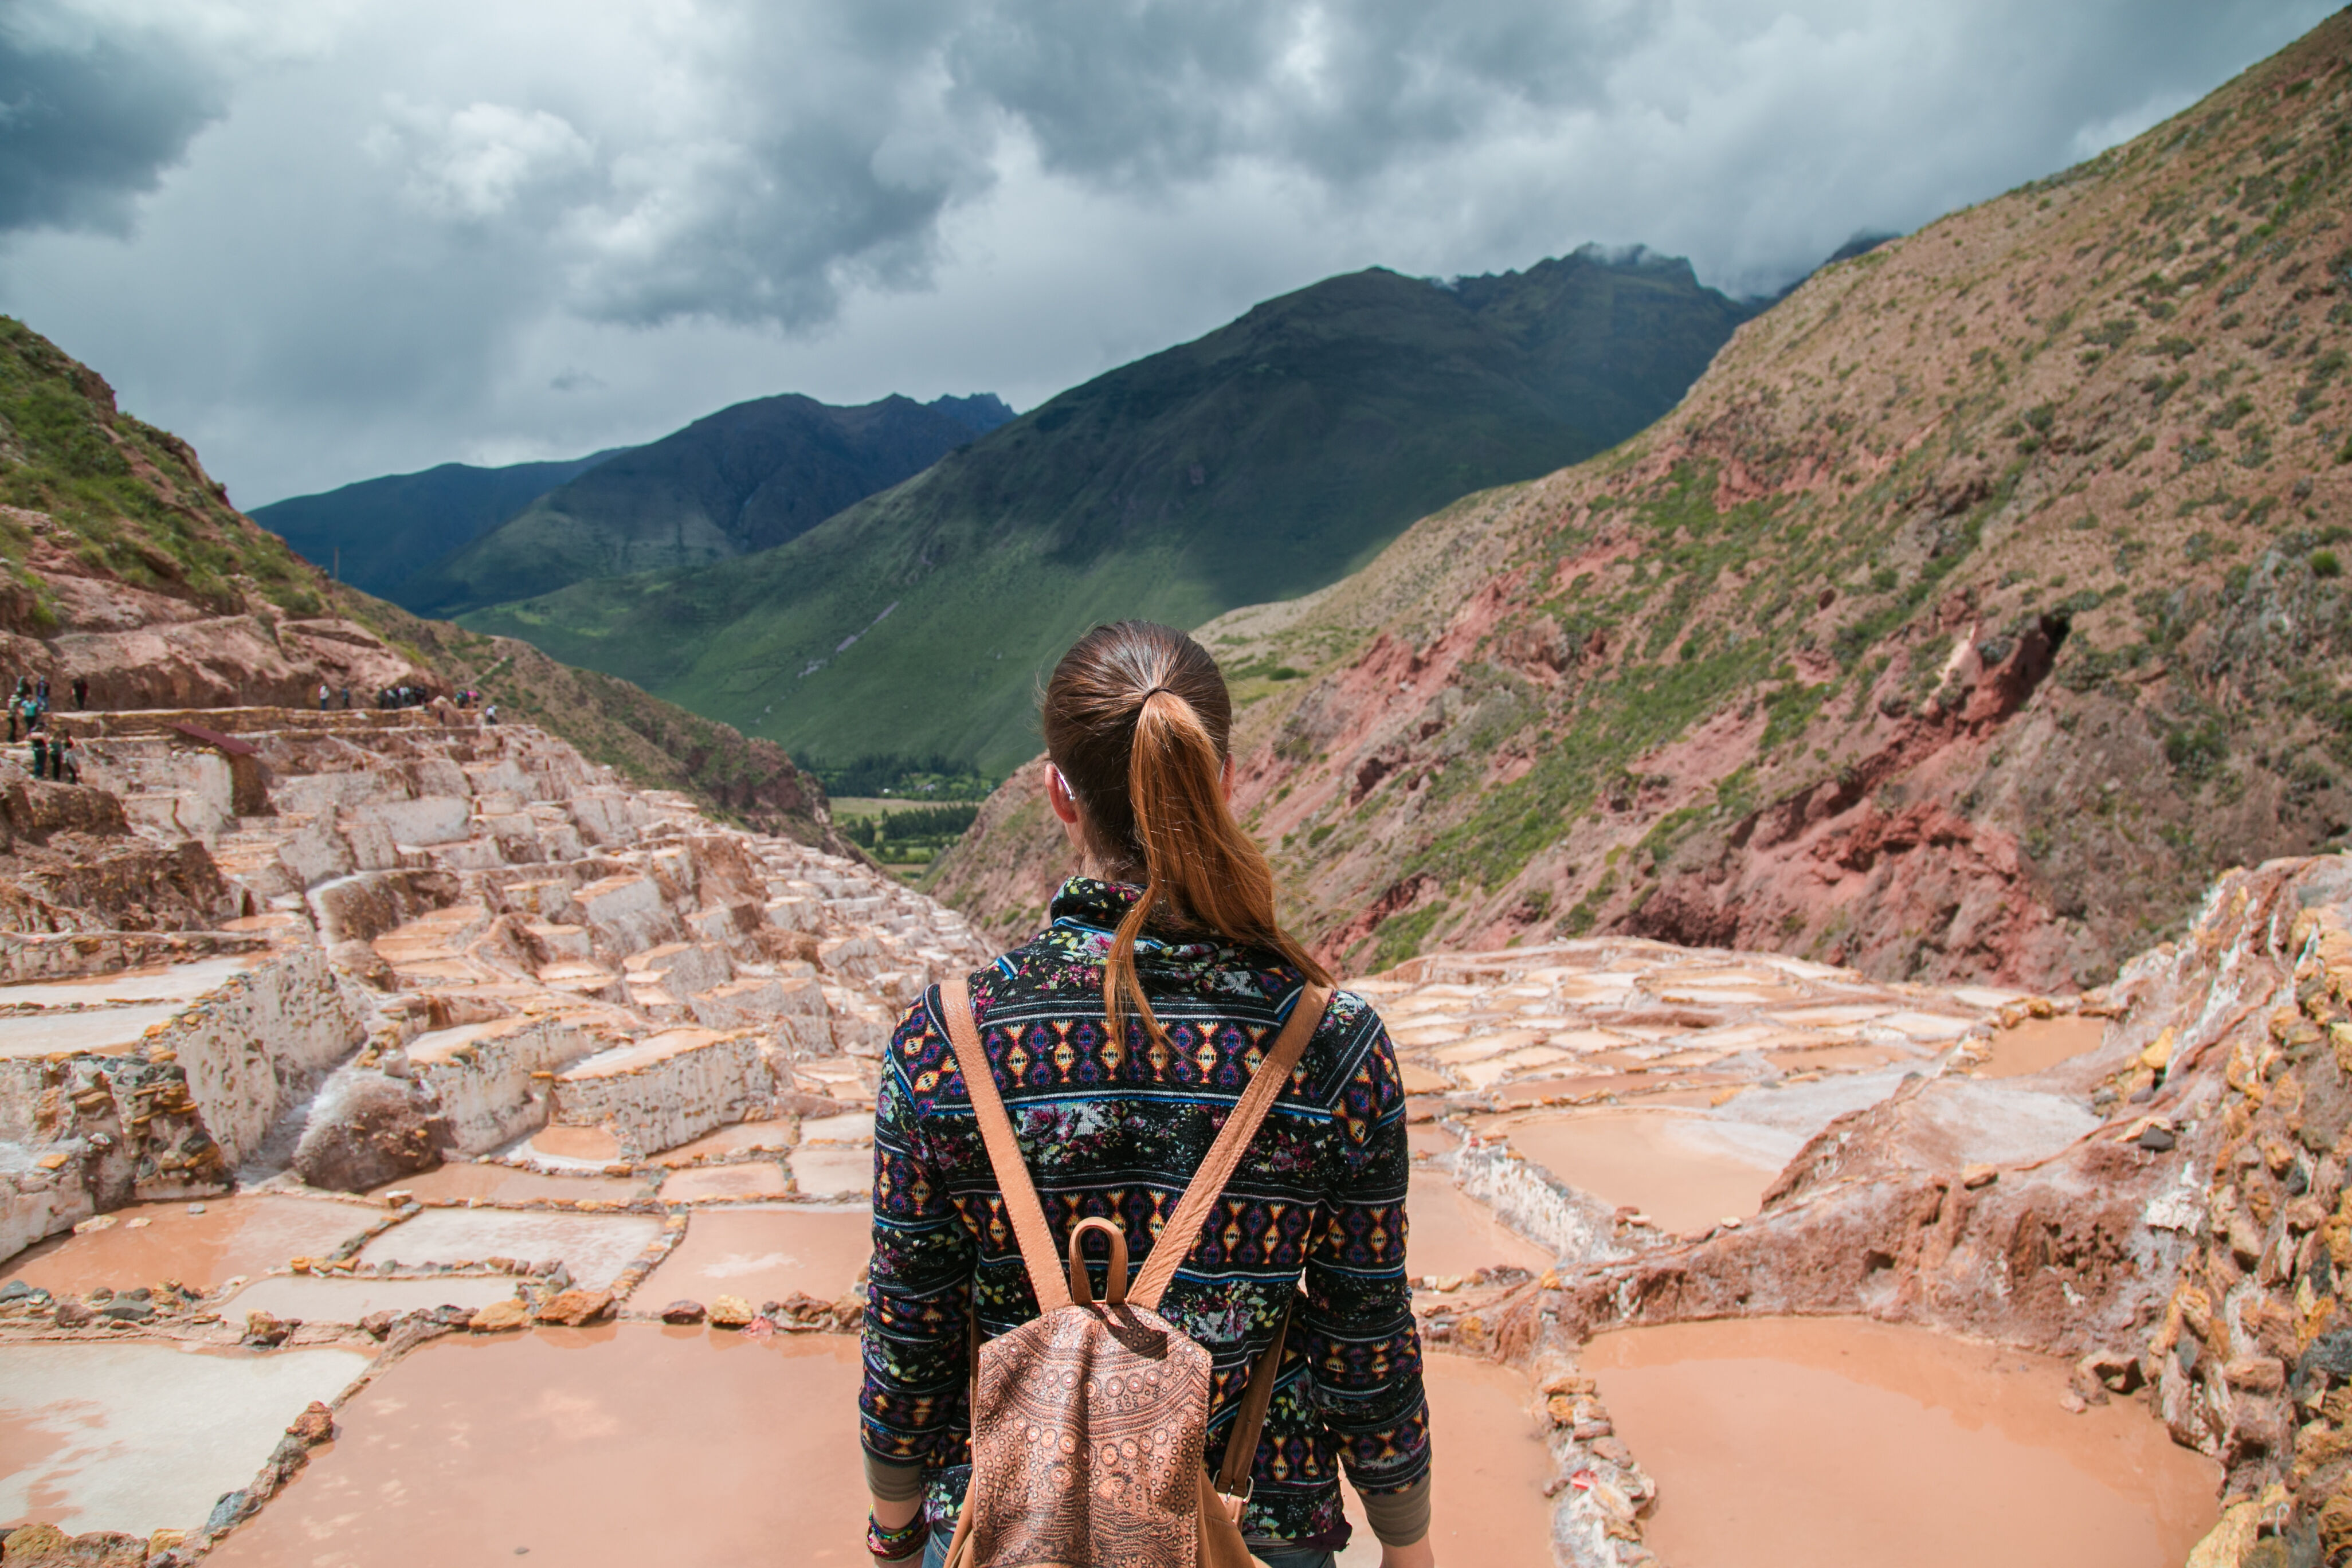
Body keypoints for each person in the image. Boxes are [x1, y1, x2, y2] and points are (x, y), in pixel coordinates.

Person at [859, 621, 1434, 1568]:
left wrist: (891, 1529)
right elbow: (1362, 1336)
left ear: (1058, 792)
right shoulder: (1330, 1046)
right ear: (1219, 780)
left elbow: (909, 1330)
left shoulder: (945, 1045)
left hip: (1010, 1528)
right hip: (1256, 1531)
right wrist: (1408, 1547)